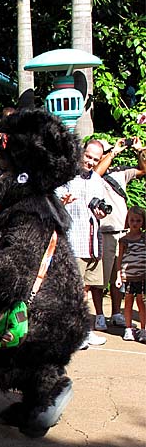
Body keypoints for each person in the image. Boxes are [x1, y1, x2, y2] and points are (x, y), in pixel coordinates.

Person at [57, 139, 111, 347]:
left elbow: (99, 210)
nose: (90, 162)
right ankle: (73, 334)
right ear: (81, 152)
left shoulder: (97, 180)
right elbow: (54, 205)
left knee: (86, 290)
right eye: (88, 156)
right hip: (73, 242)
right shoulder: (66, 177)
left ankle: (84, 331)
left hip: (92, 242)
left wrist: (100, 212)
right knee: (74, 291)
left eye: (95, 159)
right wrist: (63, 202)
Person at [92, 137, 146, 330]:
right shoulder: (90, 174)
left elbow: (143, 169)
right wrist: (114, 151)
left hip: (121, 233)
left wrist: (139, 151)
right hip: (103, 232)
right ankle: (99, 315)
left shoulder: (120, 173)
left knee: (119, 276)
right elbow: (97, 173)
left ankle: (116, 313)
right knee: (100, 278)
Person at [115, 206, 146, 343]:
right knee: (128, 301)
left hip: (142, 276)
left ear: (143, 222)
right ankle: (128, 328)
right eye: (132, 220)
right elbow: (120, 258)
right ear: (127, 221)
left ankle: (143, 329)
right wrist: (118, 275)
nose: (135, 223)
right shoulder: (123, 240)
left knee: (141, 302)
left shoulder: (144, 238)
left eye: (138, 221)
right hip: (128, 276)